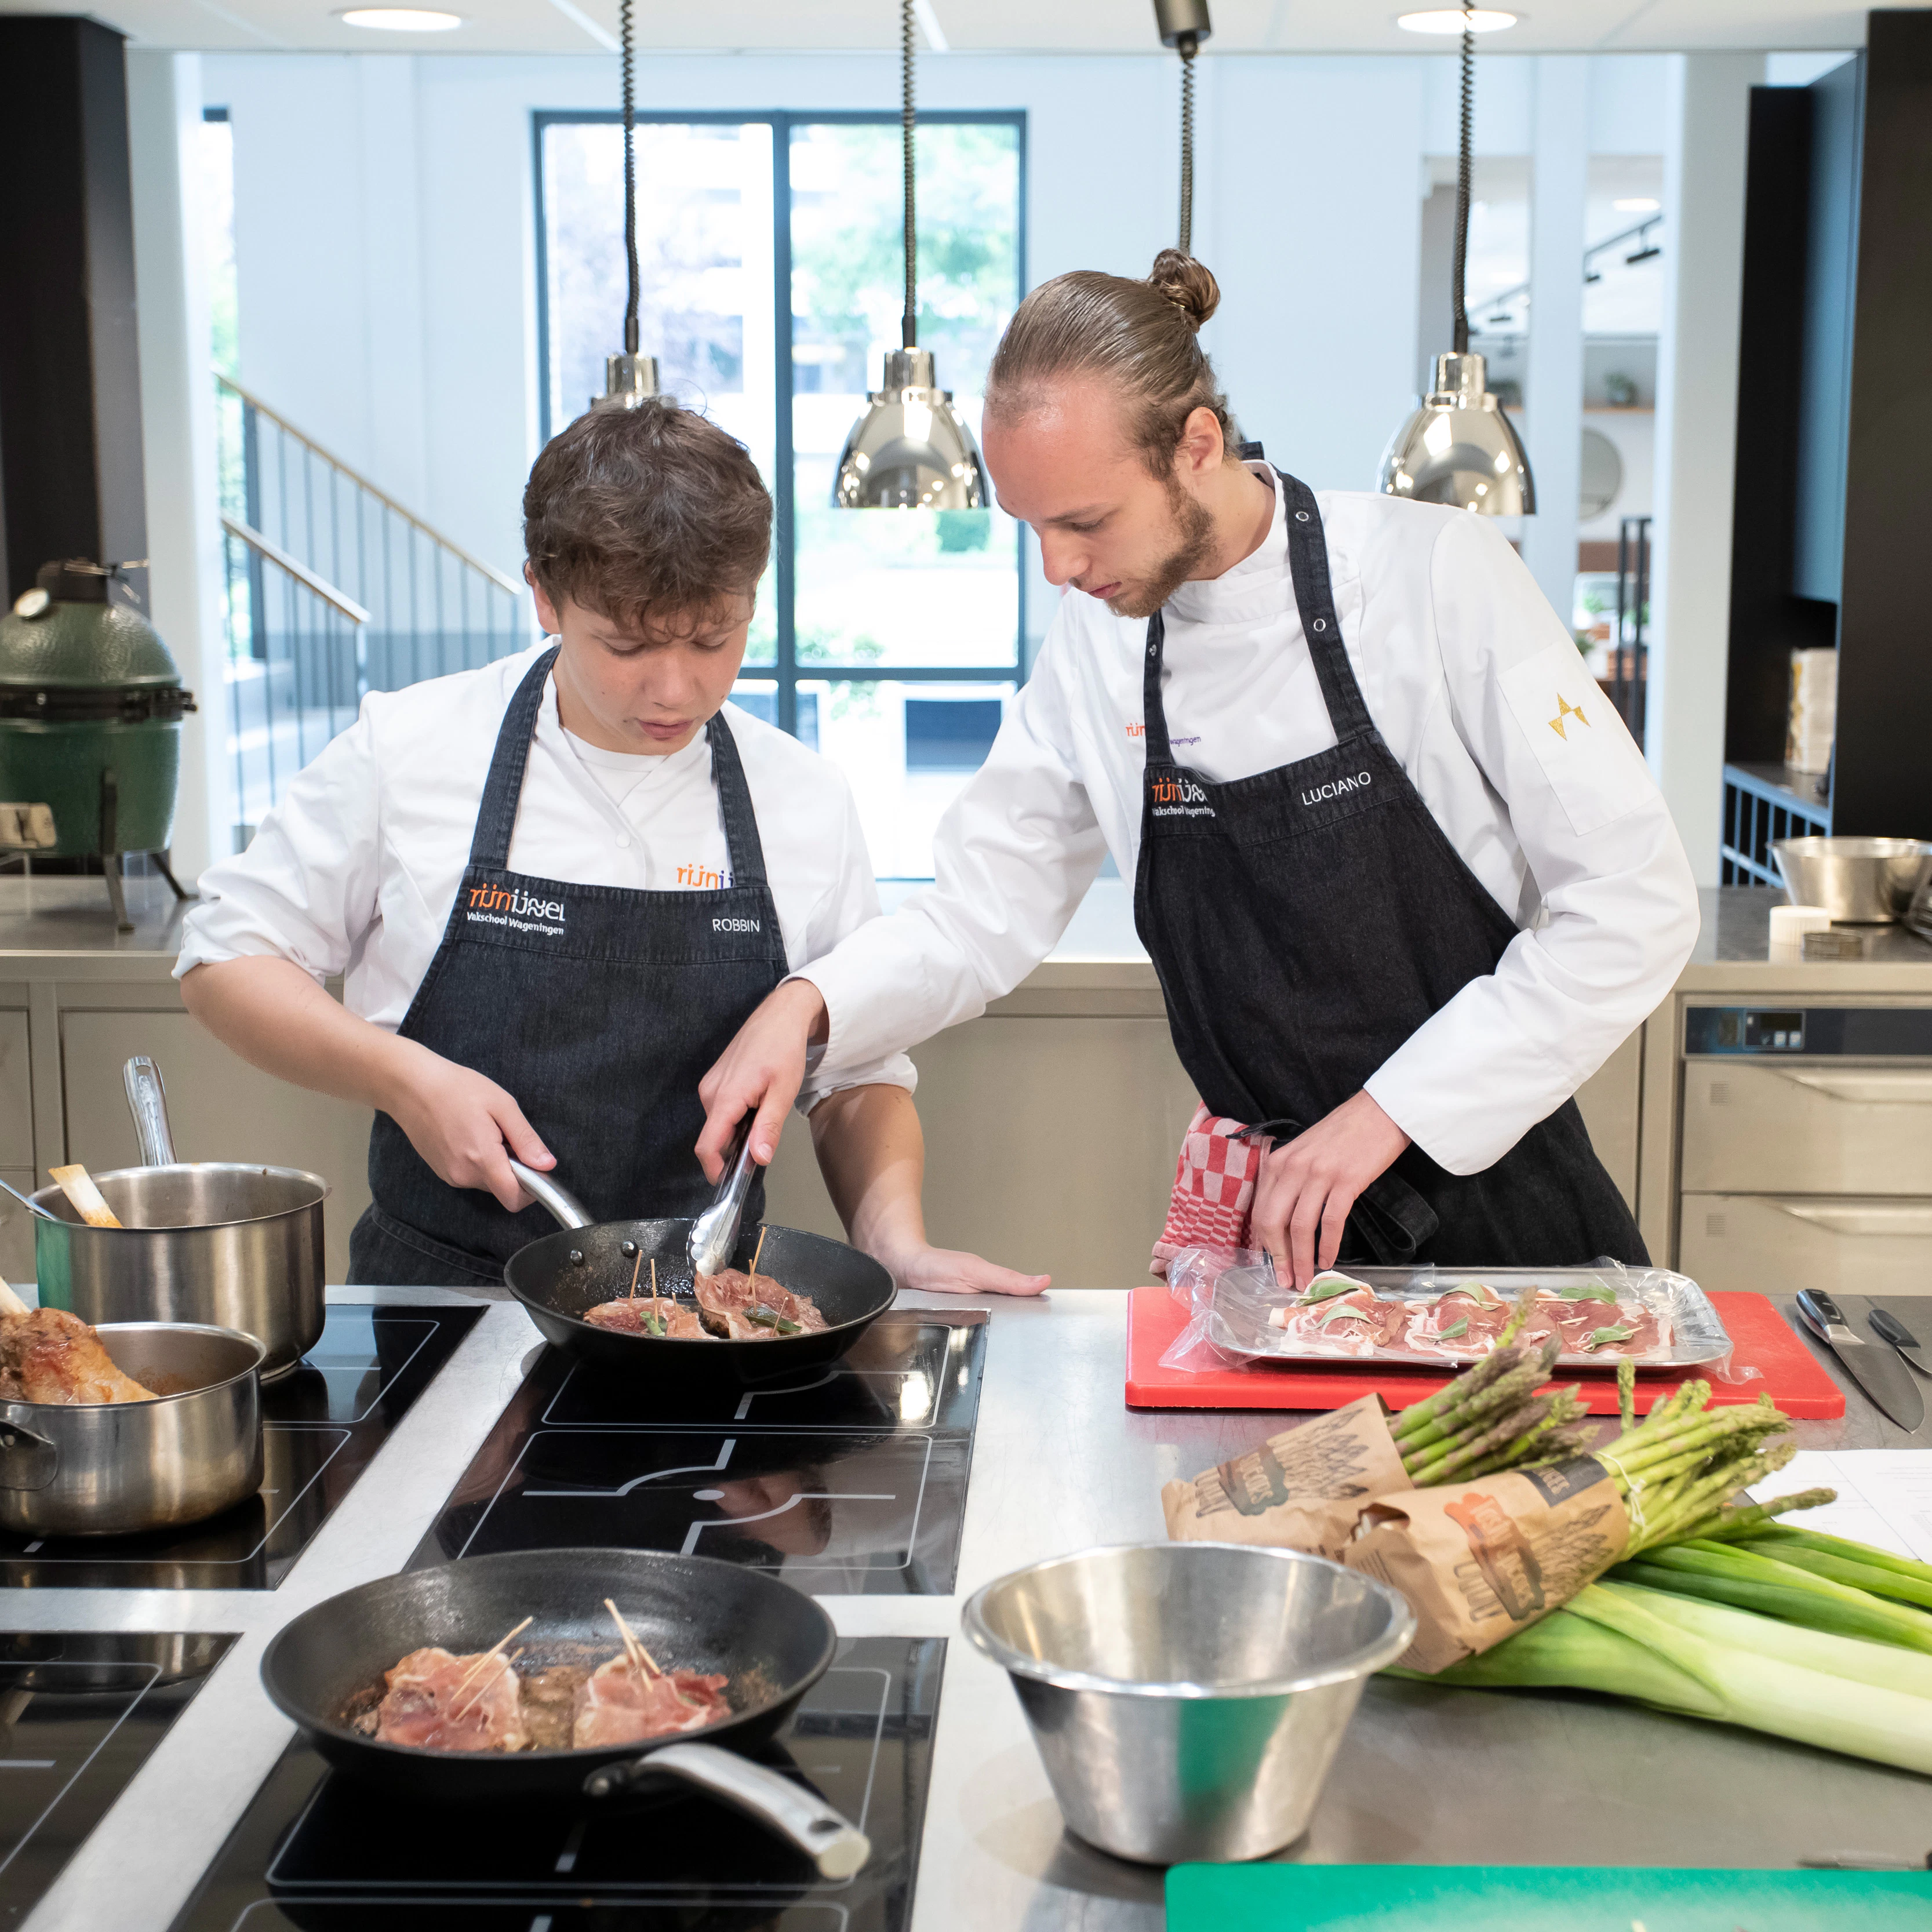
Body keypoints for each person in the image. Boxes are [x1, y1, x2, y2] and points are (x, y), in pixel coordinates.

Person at [695, 251, 1700, 1290]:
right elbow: (977, 916)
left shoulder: (1434, 575)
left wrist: (1387, 1115)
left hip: (1504, 1234)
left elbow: (1634, 902)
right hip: (1280, 1254)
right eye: (1033, 529)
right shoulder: (1098, 647)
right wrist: (808, 1003)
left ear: (1197, 446)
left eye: (1084, 522)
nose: (1060, 568)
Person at [177, 401, 1045, 1297]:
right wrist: (402, 1079)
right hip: (438, 1313)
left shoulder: (802, 798)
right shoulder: (412, 749)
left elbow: (855, 1072)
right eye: (627, 644)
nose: (675, 688)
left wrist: (894, 1239)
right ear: (545, 596)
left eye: (715, 638)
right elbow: (224, 955)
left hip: (707, 1321)